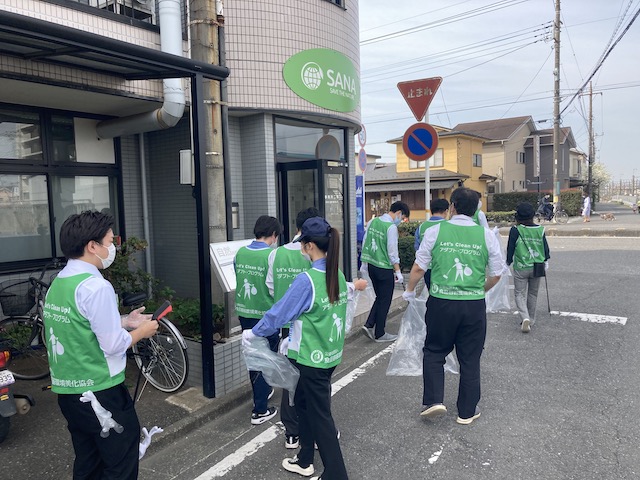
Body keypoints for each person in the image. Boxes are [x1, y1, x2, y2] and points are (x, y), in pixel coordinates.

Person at [243, 217, 367, 480]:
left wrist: (253, 333)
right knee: (304, 405)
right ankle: (304, 459)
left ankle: (336, 473)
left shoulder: (307, 280)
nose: (300, 248)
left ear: (310, 246)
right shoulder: (336, 274)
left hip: (311, 360)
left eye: (302, 244)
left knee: (320, 415)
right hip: (325, 355)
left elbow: (279, 314)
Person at [43, 210, 159, 479]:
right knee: (120, 462)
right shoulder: (96, 286)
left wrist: (124, 320)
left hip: (70, 393)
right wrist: (143, 330)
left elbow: (80, 326)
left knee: (89, 461)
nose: (113, 247)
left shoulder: (59, 283)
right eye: (110, 241)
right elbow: (113, 345)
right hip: (101, 393)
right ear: (92, 246)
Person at [402, 188, 504, 425]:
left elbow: (419, 267)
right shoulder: (486, 235)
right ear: (475, 209)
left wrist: (409, 291)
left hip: (441, 303)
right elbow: (497, 274)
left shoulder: (436, 230)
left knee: (435, 351)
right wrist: (480, 290)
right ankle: (467, 412)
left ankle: (434, 400)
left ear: (453, 207)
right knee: (470, 358)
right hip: (473, 305)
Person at [266, 207, 319, 450]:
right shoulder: (316, 254)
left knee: (290, 380)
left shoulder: (275, 254)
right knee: (315, 381)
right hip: (311, 327)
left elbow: (270, 288)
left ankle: (291, 432)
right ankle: (319, 431)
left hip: (286, 328)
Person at [235, 215, 282, 425]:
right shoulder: (272, 255)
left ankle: (263, 392)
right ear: (273, 235)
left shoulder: (240, 253)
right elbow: (274, 288)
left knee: (253, 356)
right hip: (265, 316)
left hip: (244, 313)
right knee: (263, 359)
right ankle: (260, 410)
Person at [359, 201, 410, 342]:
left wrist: (364, 264)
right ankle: (380, 333)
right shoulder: (391, 227)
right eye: (403, 217)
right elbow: (392, 252)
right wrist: (398, 272)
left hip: (372, 266)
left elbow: (365, 242)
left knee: (380, 297)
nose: (401, 221)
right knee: (385, 299)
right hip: (384, 269)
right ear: (399, 213)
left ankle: (369, 324)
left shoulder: (373, 222)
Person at [506, 202, 551, 333]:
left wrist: (508, 262)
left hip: (521, 266)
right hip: (538, 266)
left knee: (519, 294)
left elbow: (510, 248)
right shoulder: (540, 230)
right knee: (533, 293)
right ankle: (531, 319)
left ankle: (524, 317)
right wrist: (546, 260)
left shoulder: (515, 230)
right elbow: (545, 248)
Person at [414, 198, 449, 290]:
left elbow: (417, 248)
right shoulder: (449, 226)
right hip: (443, 268)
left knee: (431, 292)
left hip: (427, 268)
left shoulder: (421, 227)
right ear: (446, 211)